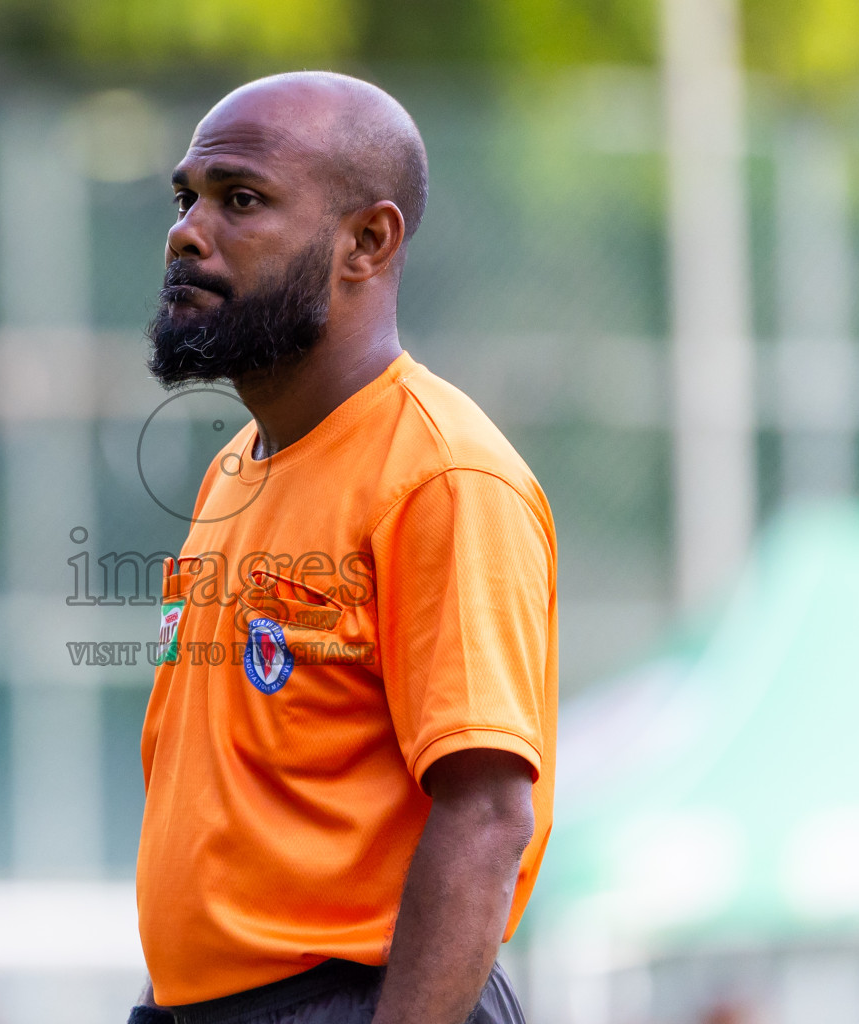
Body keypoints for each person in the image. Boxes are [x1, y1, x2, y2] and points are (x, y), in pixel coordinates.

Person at [132, 72, 558, 1024]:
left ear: (367, 241)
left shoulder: (445, 475)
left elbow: (487, 817)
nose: (187, 231)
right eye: (186, 197)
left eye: (239, 199)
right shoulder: (234, 469)